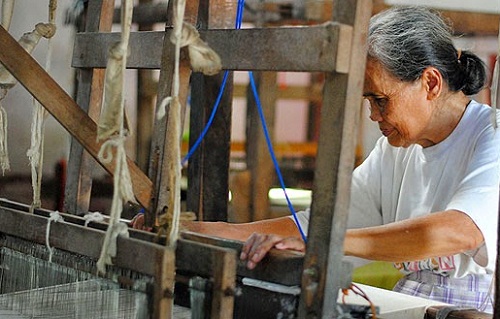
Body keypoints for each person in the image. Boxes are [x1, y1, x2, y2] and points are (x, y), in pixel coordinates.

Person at [135, 5, 499, 313]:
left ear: (431, 83)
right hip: (415, 307)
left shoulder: (491, 137)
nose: (373, 115)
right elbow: (315, 225)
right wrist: (194, 231)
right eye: (367, 102)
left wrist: (322, 243)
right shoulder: (392, 153)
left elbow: (458, 232)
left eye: (380, 100)